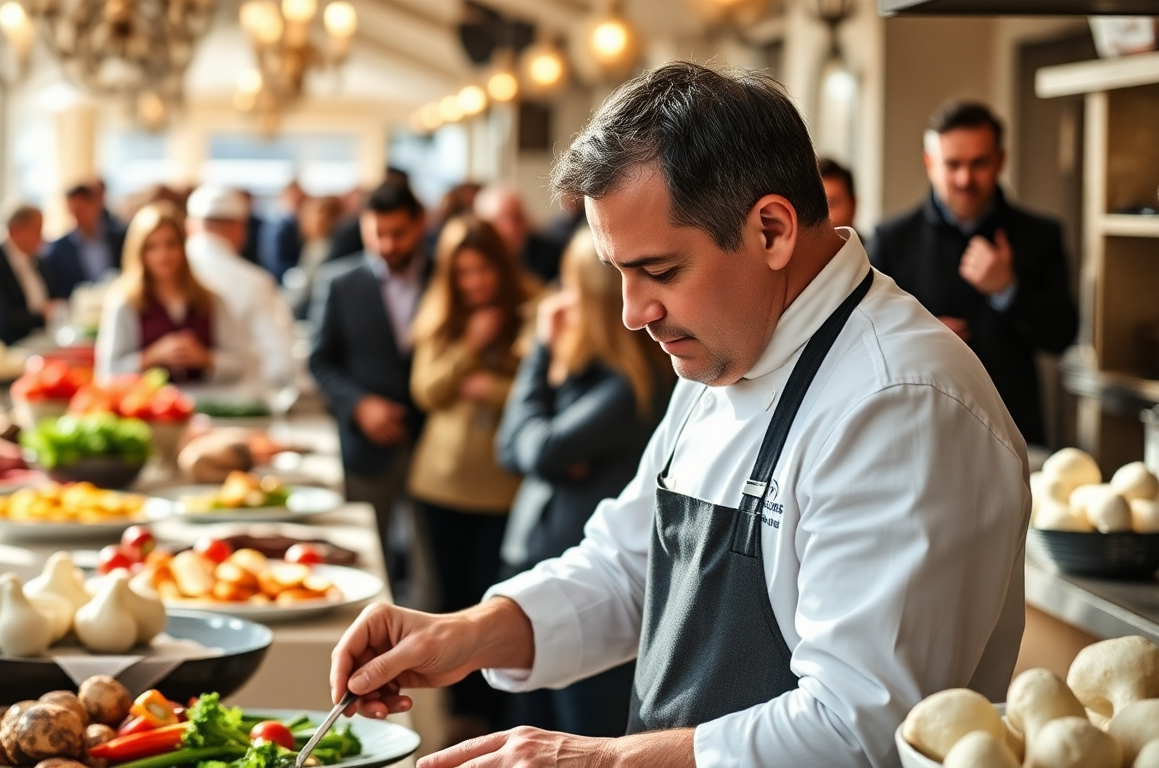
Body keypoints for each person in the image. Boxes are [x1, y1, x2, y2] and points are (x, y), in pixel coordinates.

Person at [327, 62, 1029, 768]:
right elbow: (630, 566)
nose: (634, 314)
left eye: (660, 272)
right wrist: (469, 631)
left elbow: (858, 731)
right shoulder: (731, 342)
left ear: (773, 230)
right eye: (619, 273)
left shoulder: (900, 404)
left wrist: (597, 759)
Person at [494, 226, 674, 738]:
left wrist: (540, 354)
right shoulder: (586, 370)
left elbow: (540, 449)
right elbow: (512, 450)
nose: (559, 302)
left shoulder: (629, 382)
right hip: (549, 560)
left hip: (592, 585)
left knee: (579, 730)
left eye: (571, 287)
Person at [869, 101, 1078, 446]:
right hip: (918, 429)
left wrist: (1009, 289)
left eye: (978, 163)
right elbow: (864, 340)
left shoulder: (1041, 234)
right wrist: (921, 335)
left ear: (1000, 160)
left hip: (1014, 428)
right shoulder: (892, 239)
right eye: (953, 165)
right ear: (929, 163)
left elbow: (1062, 336)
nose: (965, 179)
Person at [407, 215, 533, 742]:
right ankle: (459, 714)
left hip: (500, 488)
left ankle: (495, 712)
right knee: (450, 598)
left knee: (496, 602)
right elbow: (427, 391)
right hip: (439, 482)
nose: (475, 283)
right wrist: (467, 351)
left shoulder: (532, 305)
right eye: (463, 273)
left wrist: (493, 389)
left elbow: (538, 390)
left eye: (483, 270)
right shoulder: (441, 315)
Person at [308, 181, 431, 590]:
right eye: (378, 234)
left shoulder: (444, 276)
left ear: (420, 225)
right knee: (367, 564)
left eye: (399, 234)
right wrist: (359, 405)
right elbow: (320, 360)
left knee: (429, 567)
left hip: (431, 442)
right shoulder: (340, 283)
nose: (388, 245)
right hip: (366, 442)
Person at [95, 202, 253, 390]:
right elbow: (107, 373)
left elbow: (241, 363)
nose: (163, 255)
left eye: (171, 244)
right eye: (152, 247)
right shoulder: (126, 303)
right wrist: (151, 357)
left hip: (207, 404)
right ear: (139, 253)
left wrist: (205, 358)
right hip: (147, 406)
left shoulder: (210, 300)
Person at [184, 186, 296, 392]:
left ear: (189, 226)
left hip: (166, 404)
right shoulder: (255, 282)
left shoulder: (159, 275)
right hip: (238, 406)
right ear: (239, 228)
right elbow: (281, 364)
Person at [0, 204, 51, 345]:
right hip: (2, 353)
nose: (42, 237)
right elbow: (1, 319)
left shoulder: (37, 261)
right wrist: (42, 315)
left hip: (39, 343)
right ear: (16, 230)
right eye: (37, 230)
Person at [44, 181, 128, 300]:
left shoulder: (119, 238)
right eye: (72, 211)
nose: (77, 216)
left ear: (95, 205)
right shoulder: (58, 250)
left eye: (81, 210)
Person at [474, 184, 563, 285]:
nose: (511, 228)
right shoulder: (473, 257)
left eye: (516, 218)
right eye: (501, 220)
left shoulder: (553, 254)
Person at [259, 180, 306, 281]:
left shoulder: (294, 223)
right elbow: (274, 261)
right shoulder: (279, 226)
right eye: (295, 198)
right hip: (282, 279)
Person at [818, 157, 858, 231]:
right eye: (816, 207)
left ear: (853, 205)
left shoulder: (875, 241)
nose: (823, 218)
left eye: (831, 204)